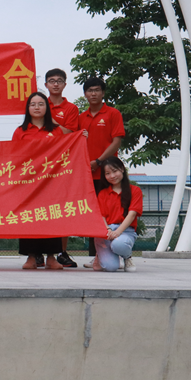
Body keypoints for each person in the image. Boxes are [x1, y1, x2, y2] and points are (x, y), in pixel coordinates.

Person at [12, 92, 65, 270]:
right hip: (28, 182)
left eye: (41, 104)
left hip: (50, 182)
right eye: (33, 104)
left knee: (51, 216)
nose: (36, 107)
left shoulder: (56, 131)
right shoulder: (20, 131)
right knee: (29, 218)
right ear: (28, 108)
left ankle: (51, 257)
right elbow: (14, 155)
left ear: (47, 108)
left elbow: (63, 153)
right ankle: (31, 257)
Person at [78, 77, 125, 267]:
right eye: (89, 90)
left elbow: (116, 141)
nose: (93, 94)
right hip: (86, 175)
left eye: (97, 90)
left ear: (103, 93)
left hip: (107, 175)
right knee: (92, 215)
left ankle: (116, 253)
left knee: (108, 214)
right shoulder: (81, 117)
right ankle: (97, 255)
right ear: (85, 94)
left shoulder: (113, 113)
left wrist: (98, 162)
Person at [44, 68, 81, 268]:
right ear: (46, 85)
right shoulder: (39, 104)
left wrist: (51, 123)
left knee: (61, 209)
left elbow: (71, 134)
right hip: (40, 165)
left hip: (63, 165)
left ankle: (61, 252)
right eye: (52, 81)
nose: (55, 84)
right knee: (38, 209)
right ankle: (37, 252)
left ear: (65, 84)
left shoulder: (71, 109)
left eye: (59, 81)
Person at [93, 157, 142, 272]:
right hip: (106, 232)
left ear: (122, 169)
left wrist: (117, 232)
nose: (112, 176)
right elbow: (101, 216)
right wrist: (108, 230)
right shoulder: (103, 193)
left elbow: (132, 214)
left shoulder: (135, 191)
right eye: (107, 173)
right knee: (110, 267)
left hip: (125, 231)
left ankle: (127, 257)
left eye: (115, 171)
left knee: (119, 244)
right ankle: (101, 254)